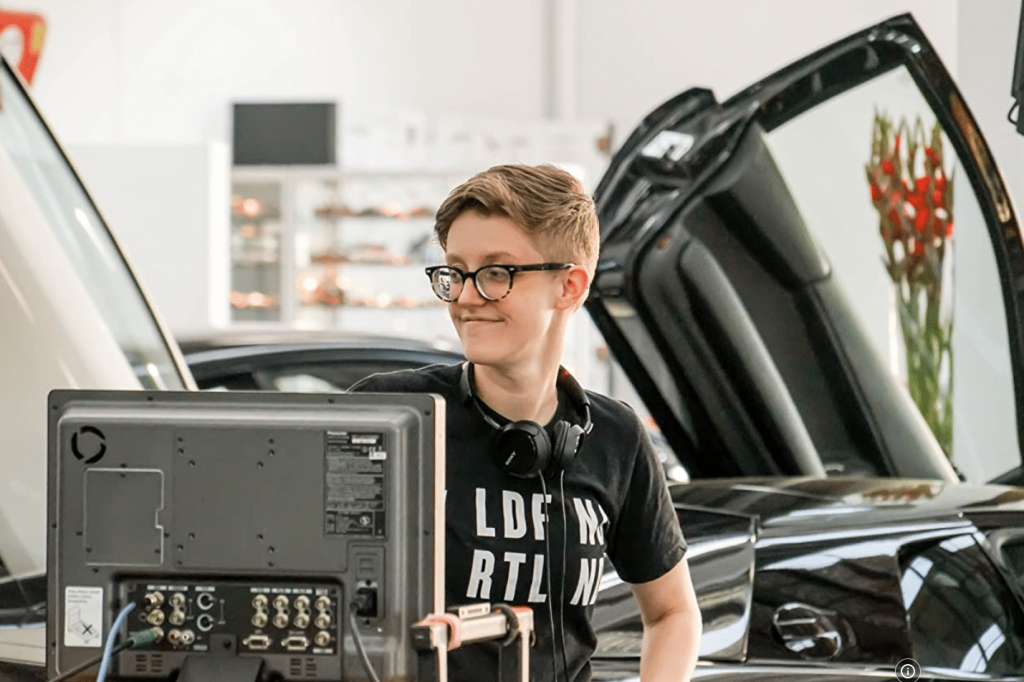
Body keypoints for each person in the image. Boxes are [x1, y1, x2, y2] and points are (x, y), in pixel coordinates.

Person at [349, 164, 701, 682]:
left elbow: (673, 612)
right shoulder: (389, 414)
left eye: (497, 273)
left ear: (570, 286)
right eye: (455, 272)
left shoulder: (615, 437)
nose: (467, 297)